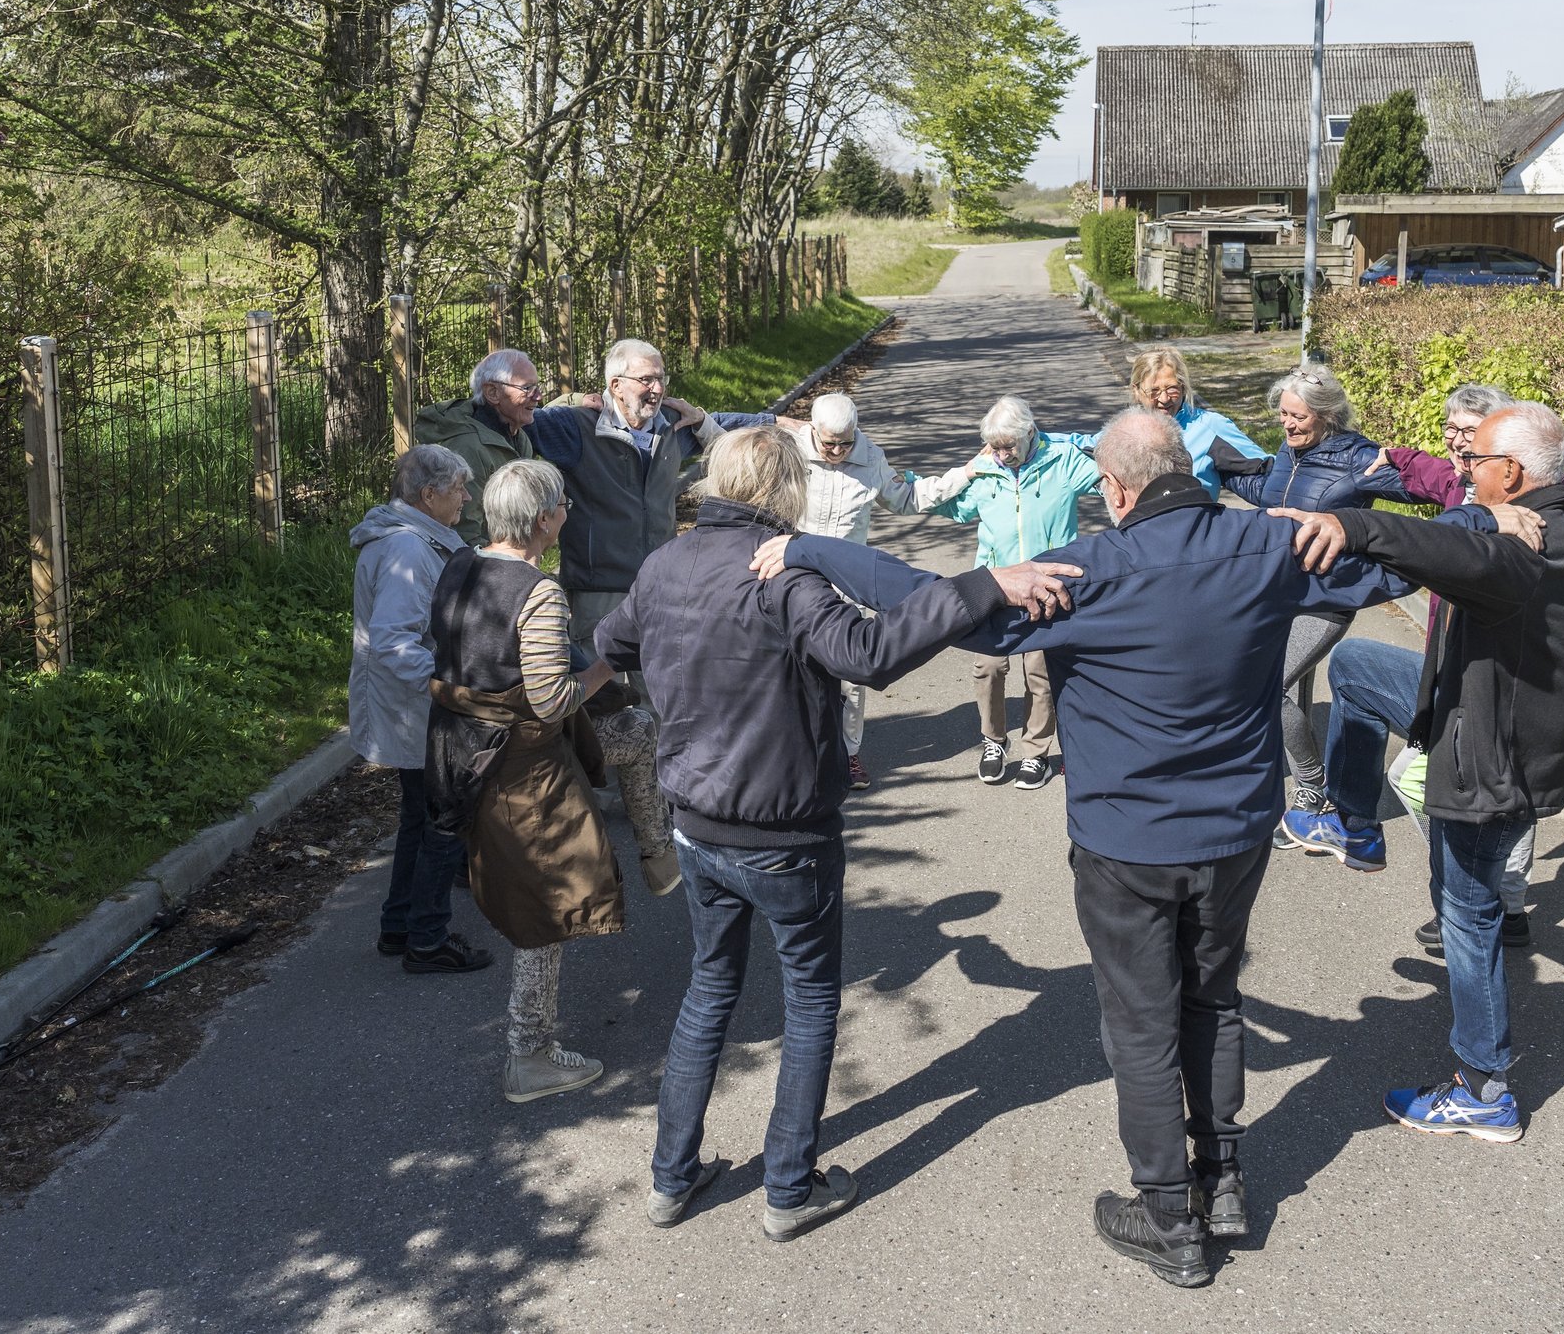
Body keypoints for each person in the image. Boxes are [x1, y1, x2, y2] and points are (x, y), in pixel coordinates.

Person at [758, 409, 1413, 1289]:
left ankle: (1169, 1215)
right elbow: (1375, 569)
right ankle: (1221, 1181)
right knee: (1213, 999)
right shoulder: (1263, 546)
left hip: (1125, 840)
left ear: (1113, 490)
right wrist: (1493, 519)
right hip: (1236, 832)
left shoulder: (1090, 569)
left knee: (1141, 1022)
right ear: (1185, 468)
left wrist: (811, 549)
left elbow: (933, 597)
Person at [594, 426, 1067, 1239]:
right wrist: (984, 584)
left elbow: (612, 643)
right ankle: (787, 1188)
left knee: (710, 988)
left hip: (697, 826)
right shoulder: (784, 573)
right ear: (786, 492)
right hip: (783, 830)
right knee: (810, 1002)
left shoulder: (664, 563)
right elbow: (870, 651)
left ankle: (671, 1178)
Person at [1272, 402, 1564, 1146]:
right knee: (1355, 663)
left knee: (1468, 914)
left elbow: (1437, 543)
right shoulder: (1556, 514)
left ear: (1511, 473)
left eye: (1476, 462)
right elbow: (1441, 537)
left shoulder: (1528, 544)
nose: (1462, 470)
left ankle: (1484, 1089)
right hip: (1469, 711)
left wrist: (1353, 524)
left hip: (1491, 757)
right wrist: (1476, 519)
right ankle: (1352, 824)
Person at [424, 459, 676, 1104]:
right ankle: (528, 1056)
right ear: (546, 519)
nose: (568, 509)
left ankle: (659, 850)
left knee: (638, 732)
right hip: (524, 766)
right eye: (564, 502)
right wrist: (610, 666)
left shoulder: (459, 564)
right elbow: (551, 700)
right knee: (547, 910)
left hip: (465, 752)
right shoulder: (538, 592)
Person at [1346, 383, 1539, 948]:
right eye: (1449, 427)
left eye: (1468, 431)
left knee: (1473, 789)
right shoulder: (1460, 485)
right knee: (1471, 791)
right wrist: (1383, 456)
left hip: (1505, 678)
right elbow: (1424, 471)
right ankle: (1494, 897)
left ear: (1502, 447)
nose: (1455, 440)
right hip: (1452, 670)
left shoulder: (1525, 507)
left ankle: (1481, 895)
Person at [1206, 365, 1411, 826]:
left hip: (1327, 597)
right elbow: (1270, 493)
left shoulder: (1359, 458)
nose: (1286, 423)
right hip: (1277, 592)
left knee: (1265, 683)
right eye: (1282, 414)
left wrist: (1473, 494)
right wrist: (1222, 468)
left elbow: (1418, 492)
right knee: (1281, 688)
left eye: (1297, 416)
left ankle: (1314, 788)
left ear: (1326, 415)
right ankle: (1290, 772)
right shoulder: (1289, 451)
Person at [526, 338, 763, 660]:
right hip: (599, 589)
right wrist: (569, 398)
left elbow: (732, 438)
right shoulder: (578, 426)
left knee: (654, 690)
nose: (657, 388)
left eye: (661, 378)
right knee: (601, 696)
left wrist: (710, 421)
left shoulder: (673, 426)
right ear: (616, 385)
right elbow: (521, 420)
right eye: (646, 379)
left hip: (659, 585)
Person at [348, 444, 491, 975]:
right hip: (418, 708)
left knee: (419, 816)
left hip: (413, 705)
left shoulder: (415, 537)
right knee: (444, 820)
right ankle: (427, 939)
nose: (467, 496)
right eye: (458, 487)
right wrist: (446, 688)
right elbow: (392, 639)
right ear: (428, 495)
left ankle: (399, 925)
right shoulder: (408, 550)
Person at [786, 392, 976, 788]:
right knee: (793, 667)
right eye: (829, 443)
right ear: (813, 431)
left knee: (852, 675)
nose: (838, 450)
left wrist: (967, 473)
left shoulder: (871, 458)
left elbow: (907, 499)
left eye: (846, 442)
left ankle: (849, 754)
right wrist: (703, 421)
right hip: (797, 578)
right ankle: (800, 756)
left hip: (848, 583)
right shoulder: (791, 450)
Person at [925, 394, 1103, 790]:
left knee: (1039, 673)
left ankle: (1035, 753)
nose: (1002, 455)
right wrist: (966, 472)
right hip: (994, 585)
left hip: (1047, 586)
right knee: (988, 667)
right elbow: (951, 506)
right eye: (995, 447)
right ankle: (993, 740)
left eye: (1009, 446)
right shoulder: (988, 470)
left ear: (1030, 432)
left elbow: (1112, 474)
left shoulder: (1064, 462)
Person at [411, 349, 541, 547]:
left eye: (537, 387)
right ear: (492, 393)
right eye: (527, 388)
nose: (538, 396)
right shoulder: (468, 448)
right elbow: (463, 536)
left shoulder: (518, 436)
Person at [1126, 346, 1265, 497]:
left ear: (1184, 388)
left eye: (1172, 389)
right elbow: (1096, 461)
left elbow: (1268, 466)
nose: (1164, 399)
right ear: (1137, 391)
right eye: (1154, 391)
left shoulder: (1209, 427)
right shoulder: (1123, 431)